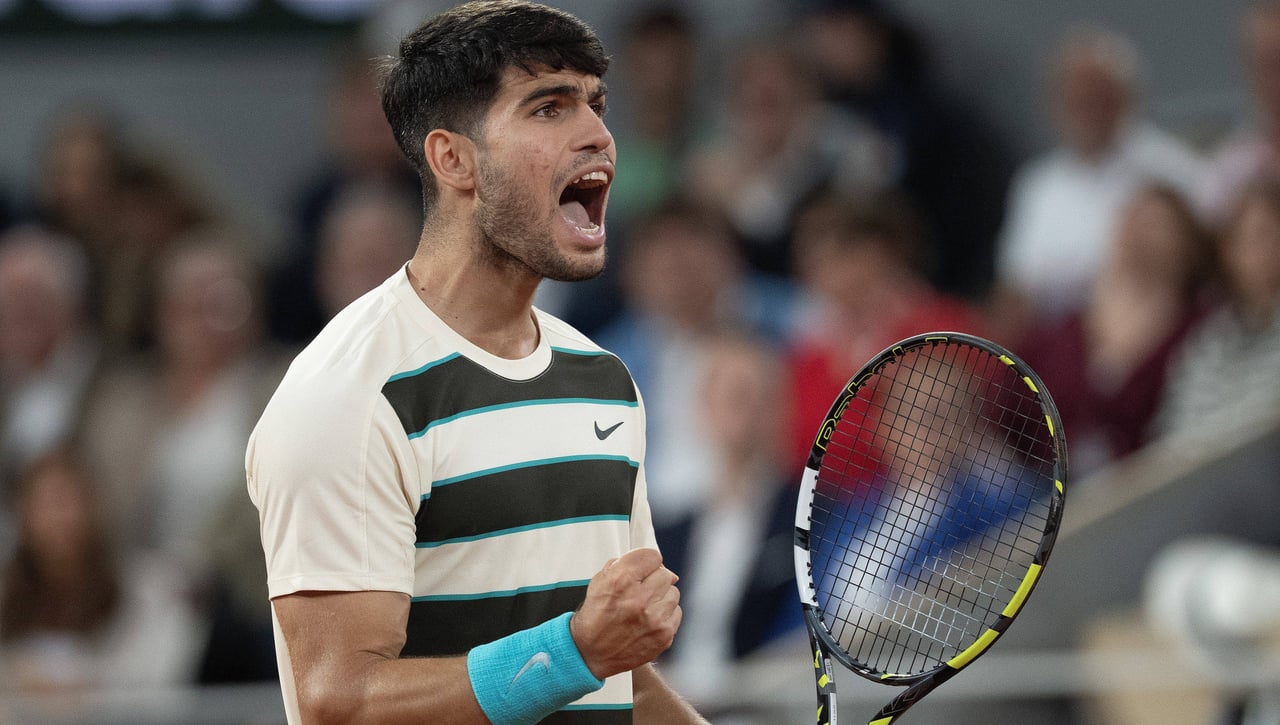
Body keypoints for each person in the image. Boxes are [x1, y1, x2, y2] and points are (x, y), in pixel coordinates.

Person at [246, 3, 705, 723]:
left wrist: (587, 652)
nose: (598, 136)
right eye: (549, 109)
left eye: (596, 104)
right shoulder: (350, 396)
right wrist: (574, 650)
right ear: (453, 159)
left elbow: (623, 678)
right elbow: (338, 700)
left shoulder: (603, 382)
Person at [992, 25, 1206, 341]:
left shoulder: (1172, 169)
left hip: (1150, 339)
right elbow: (1015, 289)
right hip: (1052, 348)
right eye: (1073, 93)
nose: (1084, 104)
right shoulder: (1036, 183)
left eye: (1096, 92)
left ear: (1126, 96)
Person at [1019, 184, 1215, 476]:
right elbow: (1015, 404)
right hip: (1056, 489)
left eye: (1157, 224)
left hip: (1162, 479)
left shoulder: (1202, 327)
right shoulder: (1066, 331)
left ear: (1188, 244)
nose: (1141, 234)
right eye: (1134, 219)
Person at [1154, 174, 1280, 438]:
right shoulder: (1203, 344)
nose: (1262, 252)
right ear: (1228, 252)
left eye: (1270, 234)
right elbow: (1170, 440)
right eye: (1249, 240)